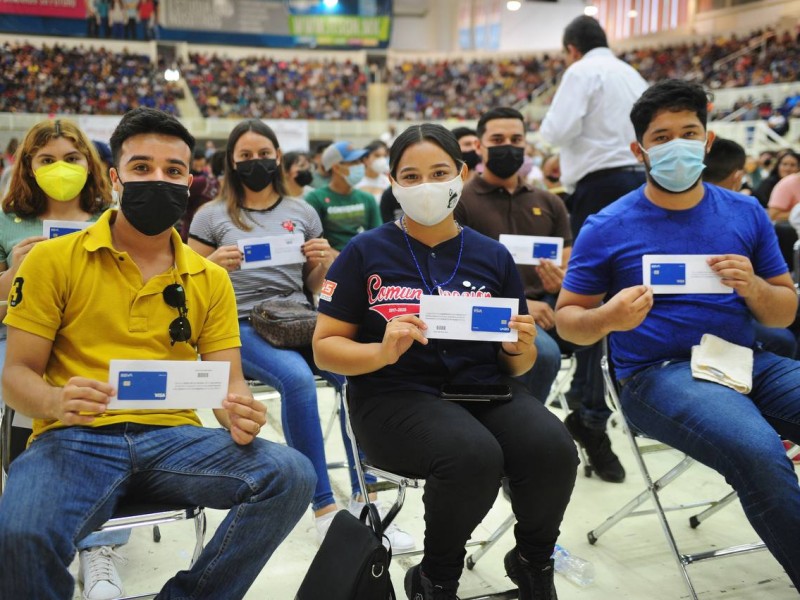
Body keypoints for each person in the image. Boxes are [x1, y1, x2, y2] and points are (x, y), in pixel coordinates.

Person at [0, 107, 316, 600]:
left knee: (290, 474)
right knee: (19, 535)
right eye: (141, 167)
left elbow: (227, 380)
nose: (158, 179)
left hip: (174, 440)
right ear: (114, 177)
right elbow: (17, 373)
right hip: (74, 437)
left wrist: (238, 411)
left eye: (173, 171)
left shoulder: (209, 278)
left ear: (189, 181)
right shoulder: (49, 260)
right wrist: (54, 402)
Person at [313, 123, 577, 600]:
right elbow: (325, 346)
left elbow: (515, 363)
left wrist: (520, 349)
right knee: (470, 455)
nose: (426, 186)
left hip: (483, 390)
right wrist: (381, 350)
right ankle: (436, 578)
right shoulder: (363, 251)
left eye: (439, 172)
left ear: (460, 172)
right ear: (392, 182)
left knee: (553, 447)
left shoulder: (492, 256)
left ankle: (534, 563)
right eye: (410, 176)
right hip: (393, 395)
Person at [555, 79, 800, 591]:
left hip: (743, 359)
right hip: (656, 376)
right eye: (661, 137)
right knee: (758, 451)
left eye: (688, 132)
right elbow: (569, 321)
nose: (676, 145)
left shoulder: (744, 211)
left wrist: (753, 286)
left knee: (758, 440)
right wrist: (608, 319)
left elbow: (782, 312)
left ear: (707, 141)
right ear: (638, 149)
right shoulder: (607, 225)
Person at [187, 120, 414, 550]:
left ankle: (372, 500)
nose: (256, 163)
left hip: (297, 317)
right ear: (231, 163)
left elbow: (315, 286)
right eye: (246, 156)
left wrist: (324, 261)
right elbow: (185, 284)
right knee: (295, 381)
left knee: (356, 374)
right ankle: (324, 507)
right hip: (240, 322)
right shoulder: (211, 215)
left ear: (278, 156)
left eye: (264, 154)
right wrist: (212, 264)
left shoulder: (302, 212)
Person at [0, 119, 123, 600]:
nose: (60, 168)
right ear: (28, 166)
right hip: (26, 346)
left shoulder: (111, 217)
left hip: (96, 345)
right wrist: (12, 274)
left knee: (110, 431)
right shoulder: (8, 222)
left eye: (71, 158)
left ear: (89, 164)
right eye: (46, 159)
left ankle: (101, 544)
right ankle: (39, 530)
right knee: (33, 442)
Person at [539, 16, 647, 483]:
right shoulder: (632, 74)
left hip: (601, 188)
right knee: (618, 304)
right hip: (640, 185)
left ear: (570, 49)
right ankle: (593, 410)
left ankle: (589, 411)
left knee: (590, 303)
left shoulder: (583, 72)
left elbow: (553, 132)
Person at [453, 107, 569, 421]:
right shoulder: (461, 201)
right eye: (498, 139)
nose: (509, 145)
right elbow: (455, 274)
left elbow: (569, 264)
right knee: (543, 353)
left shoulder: (549, 202)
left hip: (550, 304)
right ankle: (520, 427)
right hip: (495, 308)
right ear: (479, 146)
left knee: (599, 332)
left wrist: (562, 282)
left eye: (516, 139)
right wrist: (521, 306)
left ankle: (589, 421)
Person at [704, 137, 797, 359]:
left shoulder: (749, 209)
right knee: (783, 339)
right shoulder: (749, 210)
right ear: (737, 177)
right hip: (730, 318)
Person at [304, 141, 382, 252]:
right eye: (353, 162)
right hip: (330, 262)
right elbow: (314, 242)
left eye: (360, 161)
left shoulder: (368, 199)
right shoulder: (315, 199)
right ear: (336, 167)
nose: (360, 165)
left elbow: (377, 237)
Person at [767, 151, 800, 222]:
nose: (788, 168)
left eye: (793, 165)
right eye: (784, 164)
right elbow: (772, 215)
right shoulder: (786, 184)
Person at [355, 139, 390, 204]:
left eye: (384, 156)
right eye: (377, 156)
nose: (382, 160)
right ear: (366, 160)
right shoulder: (356, 181)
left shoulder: (388, 182)